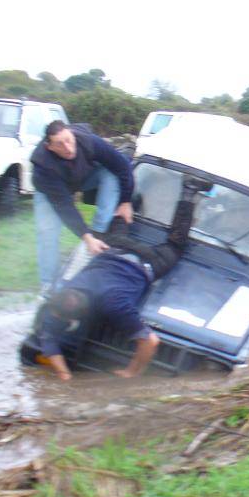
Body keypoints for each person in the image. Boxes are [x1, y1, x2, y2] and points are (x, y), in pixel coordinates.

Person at [35, 177, 205, 380]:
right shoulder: (69, 289)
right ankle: (133, 187)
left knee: (176, 244)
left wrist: (131, 372)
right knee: (121, 217)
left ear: (76, 318)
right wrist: (64, 374)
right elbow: (49, 338)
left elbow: (150, 341)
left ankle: (188, 192)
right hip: (115, 247)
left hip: (148, 261)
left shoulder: (114, 304)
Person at [31, 121, 134, 288]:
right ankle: (48, 285)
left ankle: (99, 231)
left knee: (110, 173)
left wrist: (125, 201)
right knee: (47, 233)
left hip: (84, 177)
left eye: (69, 140)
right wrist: (86, 237)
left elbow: (122, 166)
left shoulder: (89, 141)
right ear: (49, 146)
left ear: (72, 134)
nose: (68, 148)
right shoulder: (43, 167)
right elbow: (65, 207)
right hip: (52, 189)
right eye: (60, 144)